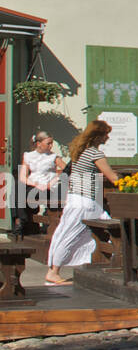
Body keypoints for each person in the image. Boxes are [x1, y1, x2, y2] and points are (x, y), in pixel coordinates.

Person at [44, 120, 119, 285]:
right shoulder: (94, 154)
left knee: (66, 233)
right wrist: (134, 184)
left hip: (76, 199)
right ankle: (53, 272)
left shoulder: (80, 151)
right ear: (98, 136)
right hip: (85, 202)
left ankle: (113, 262)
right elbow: (113, 177)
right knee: (71, 235)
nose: (107, 137)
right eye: (106, 134)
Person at [18, 131, 65, 232]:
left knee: (24, 194)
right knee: (17, 191)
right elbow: (22, 176)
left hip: (48, 188)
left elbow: (66, 170)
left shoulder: (53, 157)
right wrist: (35, 184)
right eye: (48, 143)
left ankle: (23, 222)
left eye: (52, 143)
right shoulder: (28, 156)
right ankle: (22, 222)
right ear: (39, 143)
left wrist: (50, 183)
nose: (51, 146)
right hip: (34, 185)